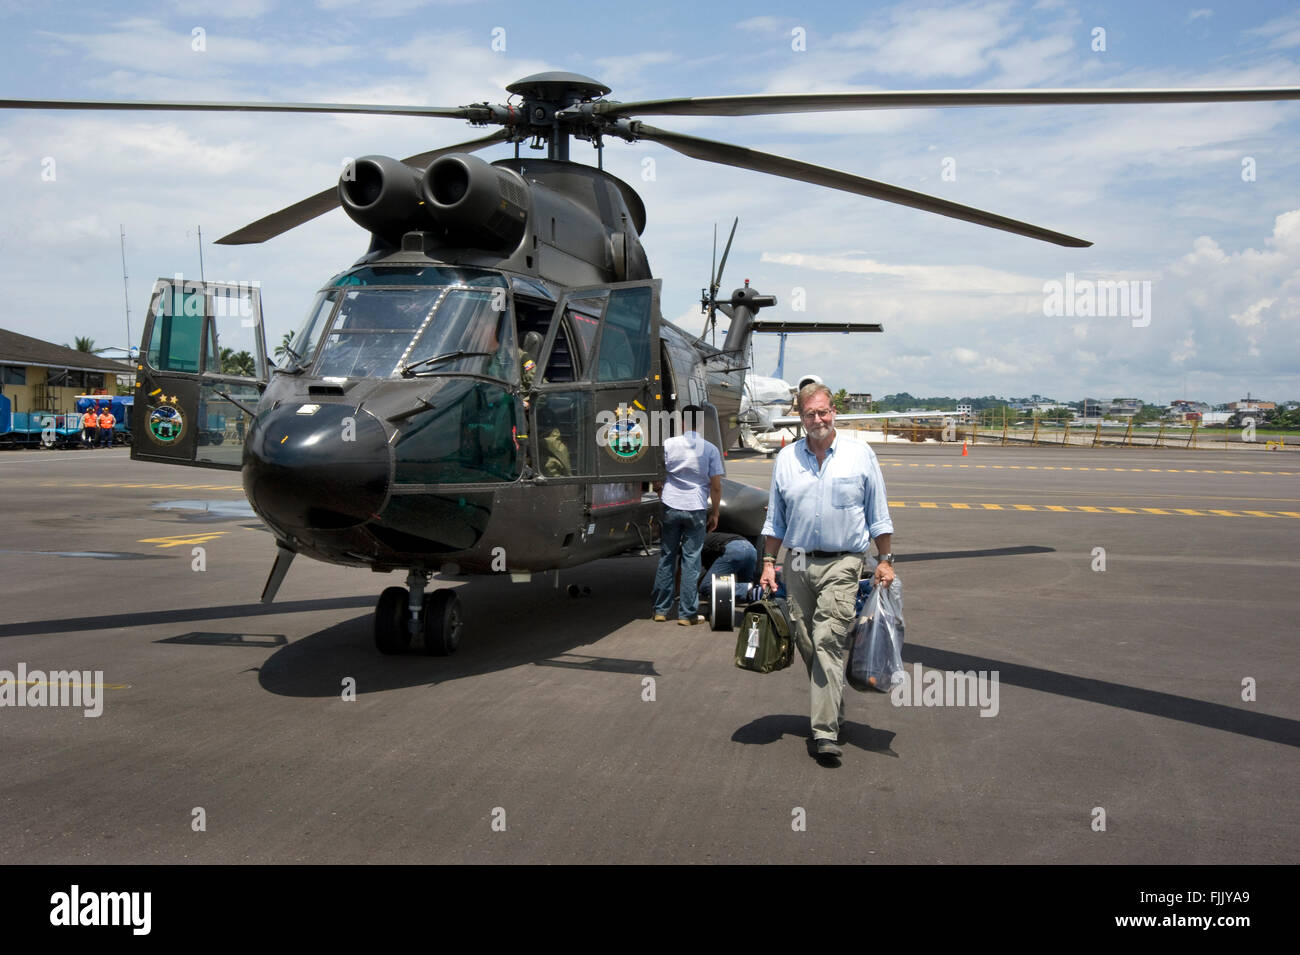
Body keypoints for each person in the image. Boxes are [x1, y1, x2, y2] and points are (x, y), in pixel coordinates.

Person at [759, 382, 895, 761]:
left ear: (833, 411)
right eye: (809, 414)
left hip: (844, 561)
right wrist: (769, 563)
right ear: (799, 417)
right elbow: (776, 518)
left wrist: (885, 559)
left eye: (823, 412)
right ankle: (832, 707)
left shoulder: (859, 454)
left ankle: (824, 733)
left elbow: (878, 513)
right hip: (798, 562)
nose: (817, 419)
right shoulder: (786, 459)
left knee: (827, 641)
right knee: (806, 641)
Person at [652, 405, 723, 625]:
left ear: (682, 421)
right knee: (691, 560)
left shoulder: (668, 445)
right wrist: (716, 513)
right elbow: (716, 486)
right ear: (700, 423)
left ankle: (661, 610)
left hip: (671, 505)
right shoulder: (710, 449)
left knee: (667, 556)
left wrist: (660, 490)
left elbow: (656, 475)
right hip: (695, 507)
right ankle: (687, 614)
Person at [696, 532, 758, 598]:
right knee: (750, 595)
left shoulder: (694, 542)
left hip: (734, 549)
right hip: (751, 549)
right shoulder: (704, 537)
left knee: (706, 586)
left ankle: (749, 589)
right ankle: (757, 591)